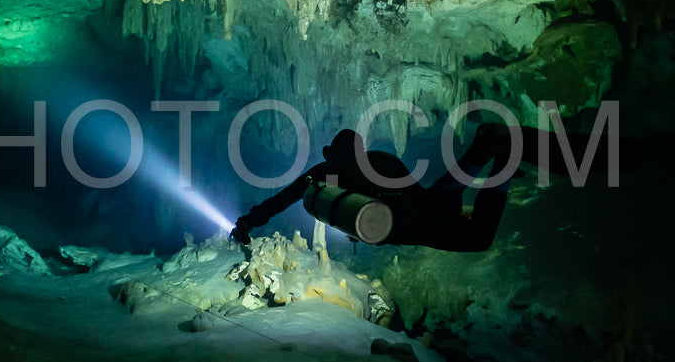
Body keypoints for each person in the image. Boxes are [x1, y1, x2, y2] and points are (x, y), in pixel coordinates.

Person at [230, 122, 606, 253]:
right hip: (423, 205)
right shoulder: (379, 157)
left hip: (404, 227)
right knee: (443, 195)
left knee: (478, 239)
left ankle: (503, 160)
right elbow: (416, 191)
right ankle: (487, 151)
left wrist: (248, 222)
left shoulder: (325, 171)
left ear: (335, 151)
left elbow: (281, 199)